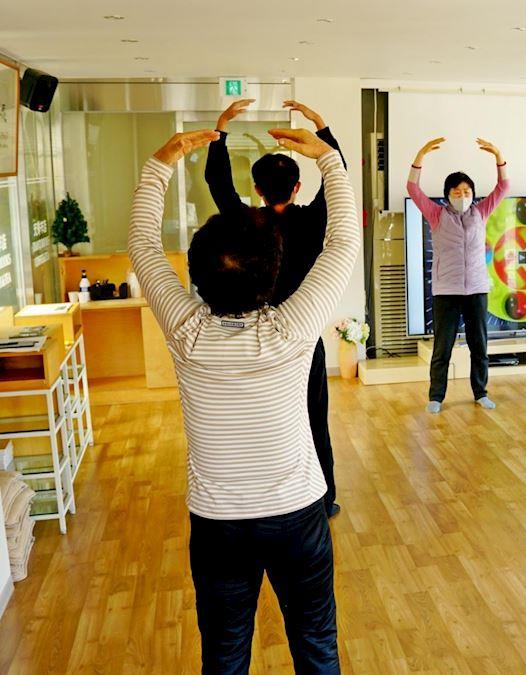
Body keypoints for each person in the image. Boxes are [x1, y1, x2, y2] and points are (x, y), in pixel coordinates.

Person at [130, 127, 358, 673]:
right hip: (297, 518)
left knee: (225, 655)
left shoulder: (184, 330)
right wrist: (328, 157)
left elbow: (142, 246)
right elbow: (344, 242)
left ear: (197, 276)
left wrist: (161, 162)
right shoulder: (294, 328)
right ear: (273, 271)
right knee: (317, 647)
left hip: (218, 526)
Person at [205, 97, 346, 519]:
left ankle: (265, 500)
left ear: (258, 190)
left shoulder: (248, 224)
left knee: (263, 422)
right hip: (304, 337)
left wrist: (222, 128)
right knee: (314, 419)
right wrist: (321, 129)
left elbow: (218, 183)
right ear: (297, 187)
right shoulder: (313, 221)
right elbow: (337, 177)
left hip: (258, 337)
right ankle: (324, 500)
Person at [408, 137, 509, 414]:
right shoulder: (436, 215)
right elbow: (413, 188)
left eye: (467, 191)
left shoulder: (481, 212)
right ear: (447, 194)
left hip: (476, 289)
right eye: (457, 191)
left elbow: (503, 187)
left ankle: (481, 393)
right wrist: (421, 155)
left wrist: (498, 156)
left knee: (479, 346)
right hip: (446, 291)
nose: (462, 196)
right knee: (442, 348)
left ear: (473, 194)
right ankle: (436, 396)